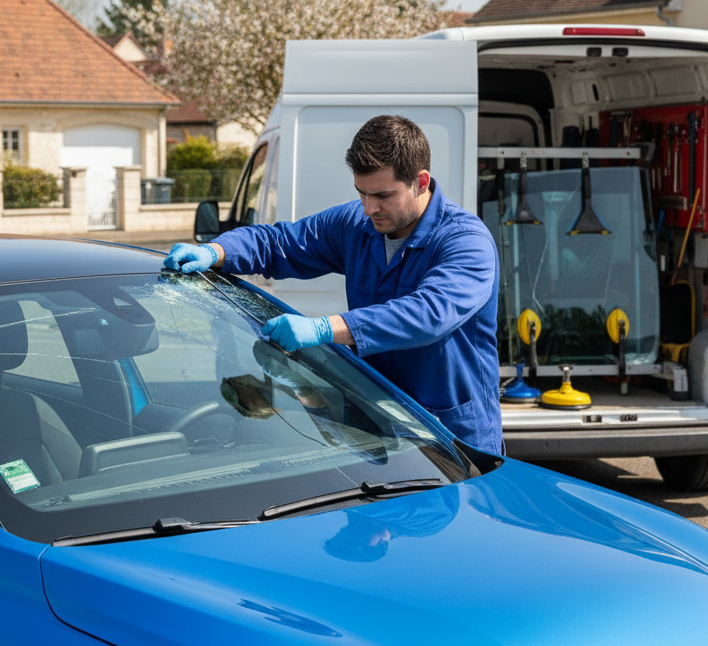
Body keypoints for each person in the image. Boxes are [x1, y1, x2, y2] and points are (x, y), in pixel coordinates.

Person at [163, 115, 502, 453]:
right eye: (362, 193)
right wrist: (217, 250)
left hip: (454, 441)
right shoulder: (356, 225)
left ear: (421, 181)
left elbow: (429, 314)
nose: (370, 208)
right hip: (379, 431)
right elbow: (281, 243)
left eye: (383, 195)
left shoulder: (465, 242)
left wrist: (326, 329)